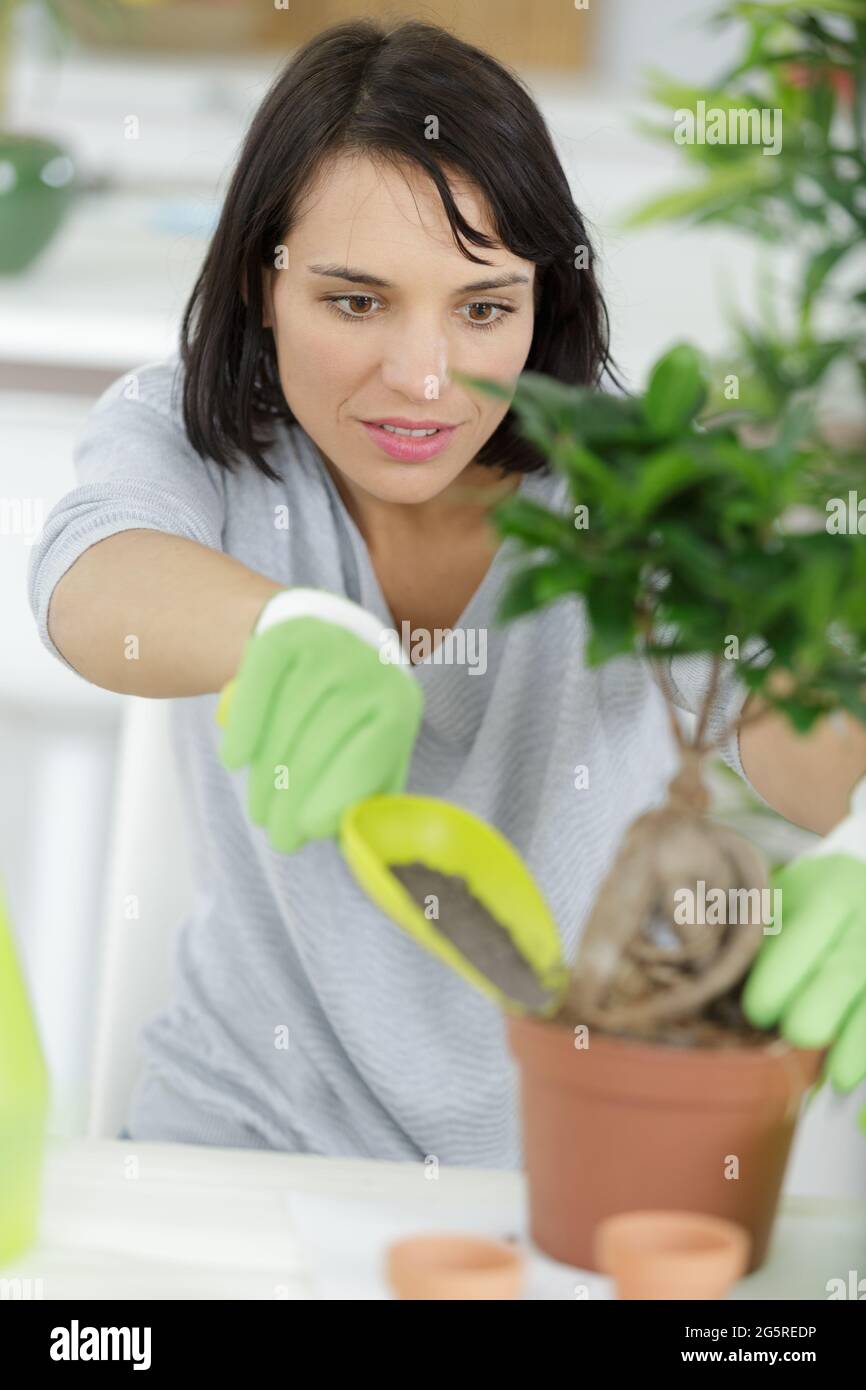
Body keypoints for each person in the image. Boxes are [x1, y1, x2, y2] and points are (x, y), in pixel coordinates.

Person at [28, 19, 857, 1166]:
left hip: (572, 1175)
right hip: (235, 1152)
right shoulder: (193, 433)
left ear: (541, 302)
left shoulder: (640, 488)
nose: (422, 379)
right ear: (259, 284)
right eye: (355, 301)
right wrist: (289, 628)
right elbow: (91, 579)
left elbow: (812, 735)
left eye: (481, 307)